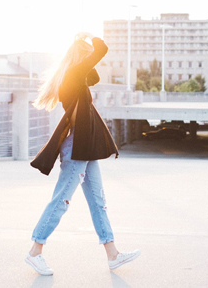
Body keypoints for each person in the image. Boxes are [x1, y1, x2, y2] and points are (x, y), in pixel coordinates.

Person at [25, 32, 140, 276]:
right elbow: (103, 49)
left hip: (85, 149)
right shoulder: (72, 75)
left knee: (98, 202)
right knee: (61, 201)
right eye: (87, 56)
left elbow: (94, 76)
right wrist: (91, 38)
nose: (91, 60)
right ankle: (35, 251)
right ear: (80, 57)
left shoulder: (77, 76)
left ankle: (113, 254)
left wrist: (85, 51)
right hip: (76, 148)